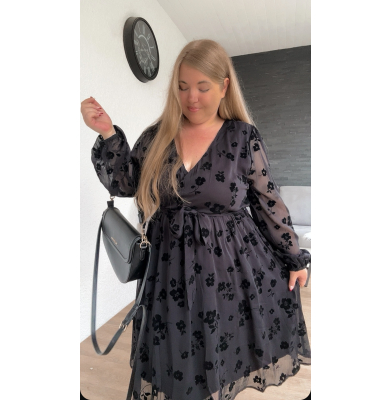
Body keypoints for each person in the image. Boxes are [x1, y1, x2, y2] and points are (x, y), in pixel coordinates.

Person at [81, 39, 311, 400]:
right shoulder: (157, 137)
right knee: (175, 356)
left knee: (218, 352)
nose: (191, 98)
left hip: (229, 271)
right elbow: (124, 183)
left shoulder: (242, 137)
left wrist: (294, 258)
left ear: (223, 87)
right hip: (167, 271)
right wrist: (107, 132)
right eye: (183, 86)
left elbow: (268, 202)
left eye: (203, 87)